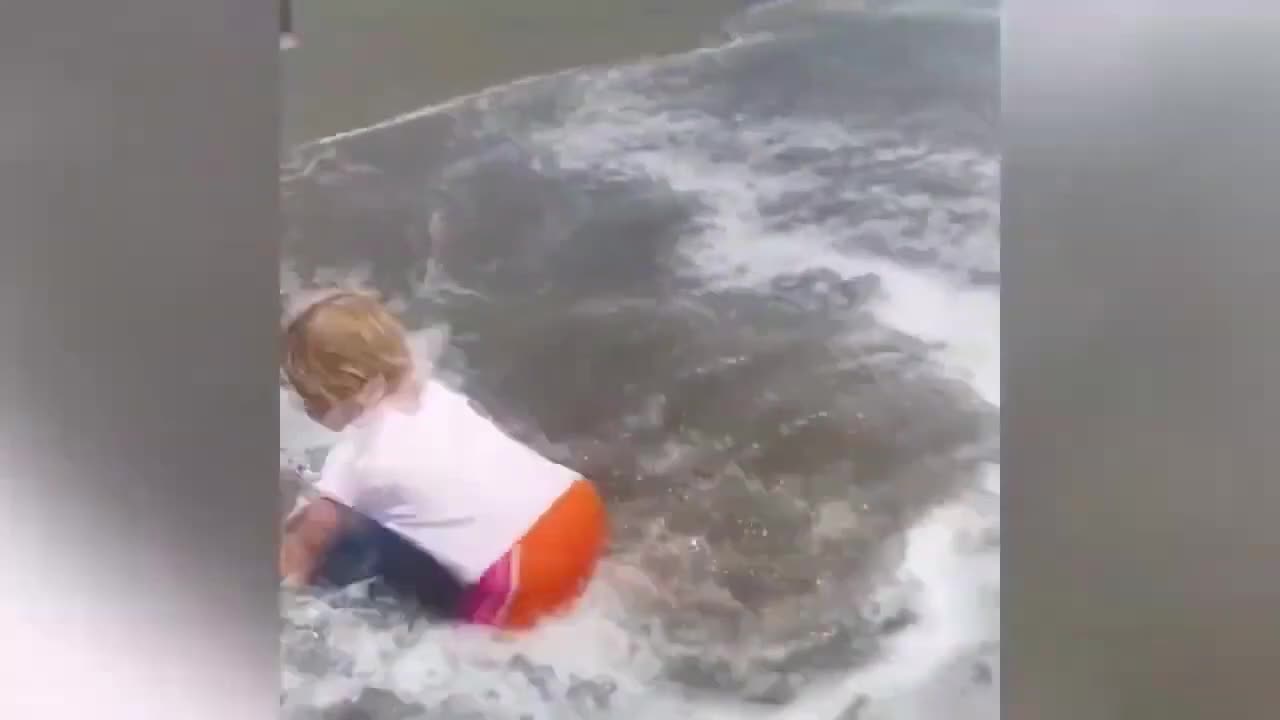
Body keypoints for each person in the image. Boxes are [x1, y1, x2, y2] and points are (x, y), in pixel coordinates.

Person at [279, 290, 608, 630]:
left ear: (351, 389)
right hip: (577, 505)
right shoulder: (437, 394)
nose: (303, 405)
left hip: (524, 567)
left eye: (309, 396)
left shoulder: (354, 461)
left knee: (480, 652)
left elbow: (307, 542)